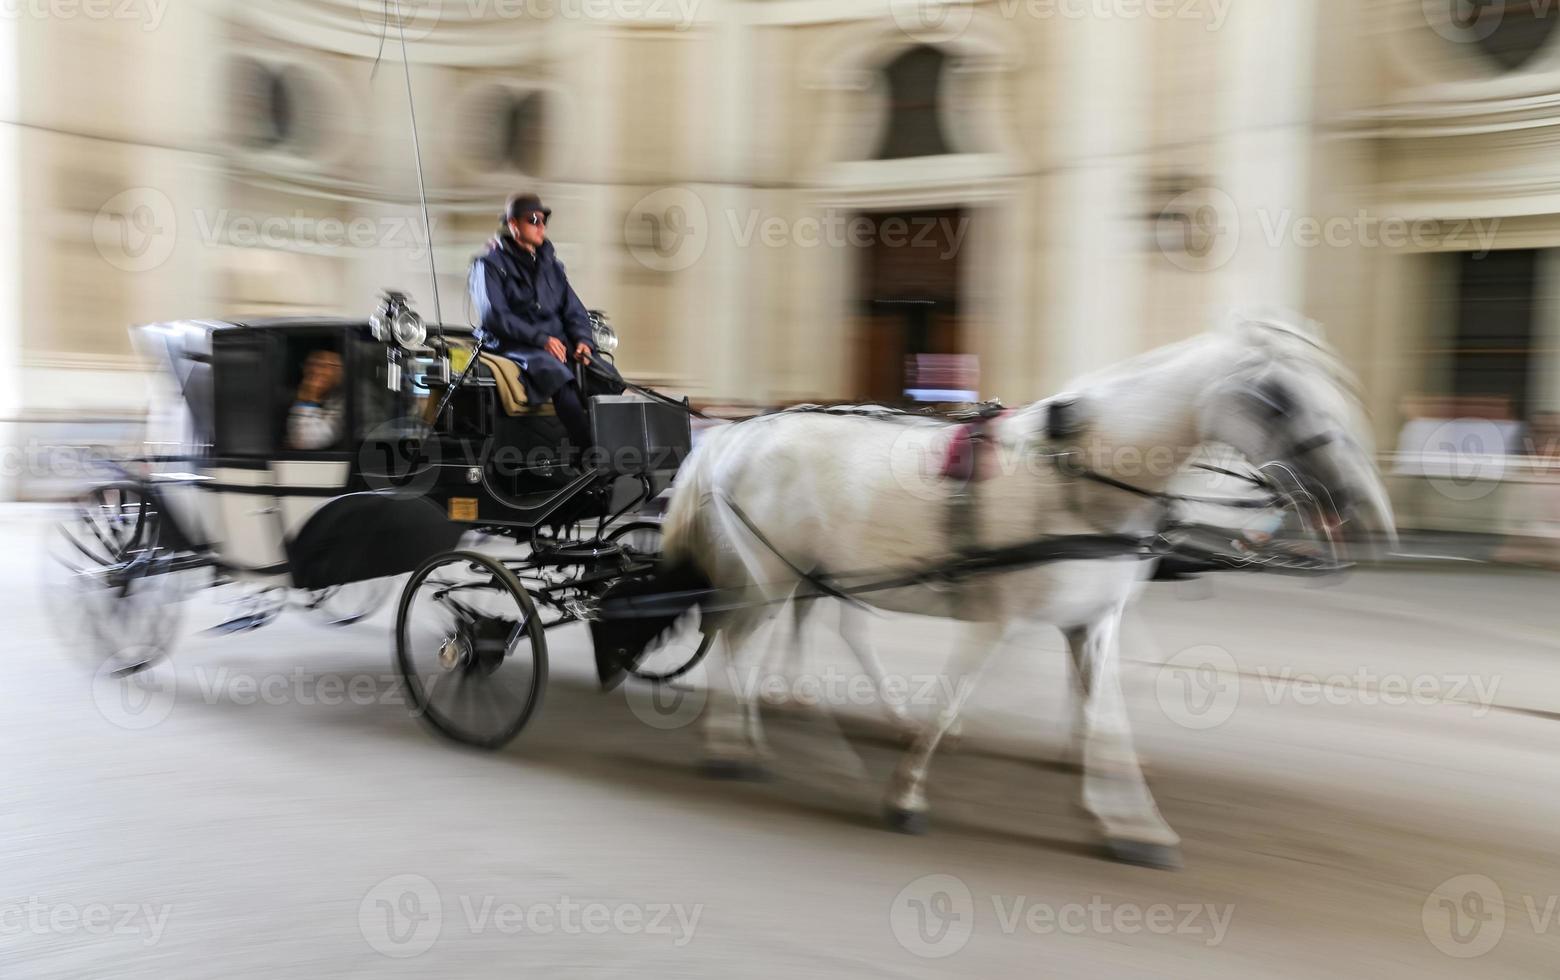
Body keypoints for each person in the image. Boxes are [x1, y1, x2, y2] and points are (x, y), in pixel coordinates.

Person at [468, 192, 599, 452]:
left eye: (543, 221)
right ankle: (591, 453)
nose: (541, 226)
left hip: (553, 341)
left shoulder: (552, 266)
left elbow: (573, 309)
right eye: (534, 220)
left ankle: (618, 445)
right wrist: (541, 339)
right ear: (514, 225)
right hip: (512, 342)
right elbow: (495, 315)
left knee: (602, 374)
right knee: (557, 375)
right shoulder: (488, 265)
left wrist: (583, 341)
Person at [287, 349, 344, 450]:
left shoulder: (348, 399)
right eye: (312, 364)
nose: (316, 371)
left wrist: (309, 398)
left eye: (325, 366)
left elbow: (306, 442)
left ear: (340, 371)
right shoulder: (290, 394)